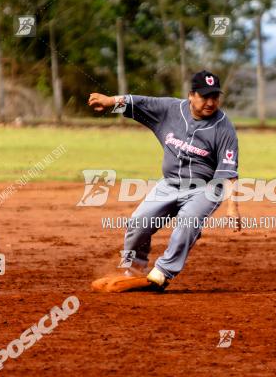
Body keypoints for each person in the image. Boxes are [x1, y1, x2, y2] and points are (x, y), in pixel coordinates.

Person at [88, 70, 240, 292]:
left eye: (215, 96)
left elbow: (229, 171)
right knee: (138, 223)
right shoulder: (170, 109)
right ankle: (134, 271)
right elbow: (136, 103)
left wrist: (232, 207)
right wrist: (110, 102)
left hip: (205, 188)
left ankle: (162, 273)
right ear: (191, 95)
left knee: (188, 221)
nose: (210, 102)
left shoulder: (224, 128)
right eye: (204, 96)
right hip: (169, 184)